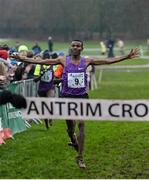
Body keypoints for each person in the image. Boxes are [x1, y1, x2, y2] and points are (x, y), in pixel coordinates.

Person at [12, 40, 139, 169]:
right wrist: (22, 58)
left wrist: (126, 56)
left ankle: (80, 157)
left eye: (78, 46)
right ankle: (72, 138)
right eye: (73, 45)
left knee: (82, 125)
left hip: (82, 97)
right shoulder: (63, 60)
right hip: (67, 97)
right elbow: (42, 62)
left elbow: (107, 61)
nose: (75, 47)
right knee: (70, 127)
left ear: (82, 48)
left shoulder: (87, 61)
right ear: (70, 48)